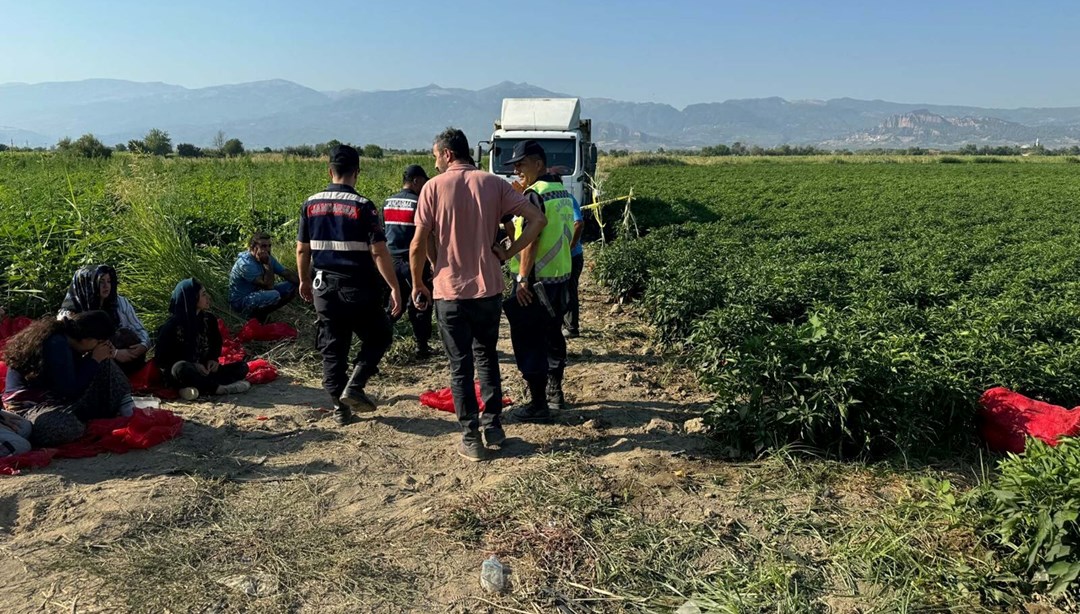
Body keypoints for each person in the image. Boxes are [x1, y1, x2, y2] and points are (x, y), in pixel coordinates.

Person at [410, 128, 547, 462]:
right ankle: (494, 425)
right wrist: (508, 251)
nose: (435, 162)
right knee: (486, 357)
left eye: (435, 156)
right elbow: (537, 218)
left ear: (446, 154)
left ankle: (471, 437)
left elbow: (417, 242)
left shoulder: (433, 187)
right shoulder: (494, 183)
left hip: (449, 292)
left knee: (460, 366)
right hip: (487, 289)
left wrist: (420, 282)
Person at [297, 144, 403, 426]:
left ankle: (339, 409)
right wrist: (394, 287)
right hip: (358, 287)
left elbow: (302, 250)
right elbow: (379, 252)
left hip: (323, 287)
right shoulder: (364, 206)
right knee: (379, 334)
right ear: (357, 172)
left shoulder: (310, 204)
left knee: (333, 347)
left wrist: (304, 280)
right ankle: (355, 385)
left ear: (329, 171)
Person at [501, 140, 576, 422]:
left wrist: (521, 278)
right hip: (560, 277)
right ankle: (555, 394)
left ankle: (537, 403)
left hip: (534, 282)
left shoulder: (535, 195)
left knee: (529, 340)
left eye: (521, 164)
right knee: (553, 336)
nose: (517, 170)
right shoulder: (561, 192)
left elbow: (532, 241)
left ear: (538, 164)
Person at [2, 310, 135, 447]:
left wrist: (97, 359)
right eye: (99, 342)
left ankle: (124, 404)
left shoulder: (69, 342)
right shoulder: (57, 344)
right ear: (86, 339)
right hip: (30, 408)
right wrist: (94, 359)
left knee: (105, 362)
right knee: (64, 427)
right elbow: (69, 389)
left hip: (59, 399)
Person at [156, 279, 250, 401]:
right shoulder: (171, 326)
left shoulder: (208, 320)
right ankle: (217, 389)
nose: (208, 298)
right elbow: (162, 360)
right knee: (181, 368)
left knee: (242, 367)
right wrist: (194, 366)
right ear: (192, 298)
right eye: (203, 295)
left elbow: (215, 343)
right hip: (182, 373)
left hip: (205, 371)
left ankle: (196, 388)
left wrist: (212, 360)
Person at [58, 264, 150, 375]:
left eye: (109, 281)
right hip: (90, 364)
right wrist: (115, 353)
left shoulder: (119, 303)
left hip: (125, 356)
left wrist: (142, 346)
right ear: (87, 284)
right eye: (101, 282)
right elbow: (81, 346)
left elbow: (139, 329)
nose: (106, 286)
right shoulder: (68, 315)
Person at [383, 164, 434, 359]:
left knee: (395, 303)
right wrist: (433, 263)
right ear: (416, 181)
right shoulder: (420, 203)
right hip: (414, 260)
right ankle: (422, 347)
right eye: (423, 182)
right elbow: (427, 238)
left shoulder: (388, 202)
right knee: (421, 302)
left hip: (390, 261)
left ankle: (381, 343)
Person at [228, 232, 300, 322]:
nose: (267, 249)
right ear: (253, 248)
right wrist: (267, 264)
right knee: (274, 295)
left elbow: (286, 273)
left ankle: (262, 316)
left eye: (269, 246)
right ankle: (251, 317)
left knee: (291, 285)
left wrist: (305, 283)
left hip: (258, 294)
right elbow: (268, 286)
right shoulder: (246, 264)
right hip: (241, 302)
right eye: (263, 246)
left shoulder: (267, 257)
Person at [564, 193, 585, 338]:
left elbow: (578, 223)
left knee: (569, 290)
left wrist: (570, 247)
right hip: (563, 256)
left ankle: (572, 327)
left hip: (572, 256)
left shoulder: (567, 198)